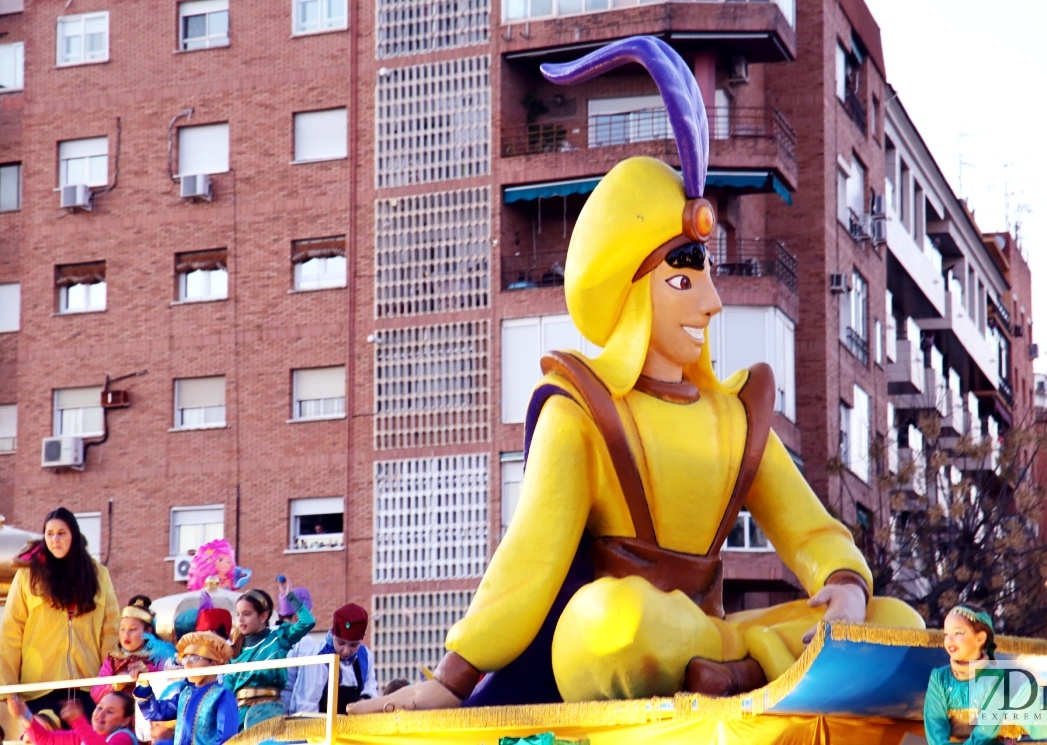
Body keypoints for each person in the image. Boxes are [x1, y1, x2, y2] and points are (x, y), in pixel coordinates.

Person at [351, 36, 920, 714]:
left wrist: (844, 581)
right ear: (631, 288)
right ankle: (752, 669)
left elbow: (811, 528)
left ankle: (732, 668)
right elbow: (529, 557)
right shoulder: (580, 411)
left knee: (897, 622)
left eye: (705, 278)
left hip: (712, 637)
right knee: (603, 626)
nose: (710, 302)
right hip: (639, 638)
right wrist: (451, 679)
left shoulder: (734, 416)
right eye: (683, 278)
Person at [0, 507, 120, 720]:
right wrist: (8, 688)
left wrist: (109, 682)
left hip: (87, 688)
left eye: (61, 533)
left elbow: (110, 631)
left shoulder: (98, 574)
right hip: (40, 688)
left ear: (73, 535)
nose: (55, 539)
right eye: (49, 533)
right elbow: (11, 631)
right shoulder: (28, 574)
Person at [133, 608, 238, 745]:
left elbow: (227, 739)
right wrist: (144, 684)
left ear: (213, 663)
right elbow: (154, 712)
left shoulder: (223, 695)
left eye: (194, 659)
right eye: (185, 659)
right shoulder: (185, 694)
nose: (187, 664)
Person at [224, 580, 315, 730]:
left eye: (247, 614)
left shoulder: (278, 636)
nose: (240, 620)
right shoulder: (234, 648)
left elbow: (307, 622)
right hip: (239, 717)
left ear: (263, 616)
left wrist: (291, 598)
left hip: (269, 713)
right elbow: (229, 688)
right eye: (238, 614)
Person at [922, 604, 1000, 745]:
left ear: (980, 638)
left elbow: (986, 730)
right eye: (946, 634)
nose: (949, 639)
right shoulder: (939, 678)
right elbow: (935, 725)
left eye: (957, 633)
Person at [288, 603, 378, 713]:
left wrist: (365, 701)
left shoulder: (365, 656)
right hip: (320, 724)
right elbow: (307, 704)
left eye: (353, 645)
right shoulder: (319, 657)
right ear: (333, 634)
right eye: (341, 643)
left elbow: (371, 690)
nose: (346, 650)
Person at [91, 595, 177, 703]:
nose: (126, 634)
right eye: (122, 629)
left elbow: (171, 684)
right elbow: (95, 694)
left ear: (148, 631)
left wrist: (147, 671)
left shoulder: (160, 655)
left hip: (146, 715)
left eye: (132, 629)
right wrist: (118, 681)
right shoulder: (113, 658)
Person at [9, 693, 138, 745]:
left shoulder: (124, 737)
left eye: (110, 711)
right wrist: (25, 713)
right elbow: (45, 739)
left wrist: (78, 721)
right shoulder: (81, 736)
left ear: (125, 720)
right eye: (99, 708)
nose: (101, 714)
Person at [185, 539, 251, 592]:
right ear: (212, 561)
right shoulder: (209, 581)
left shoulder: (229, 580)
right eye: (220, 560)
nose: (225, 565)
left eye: (229, 562)